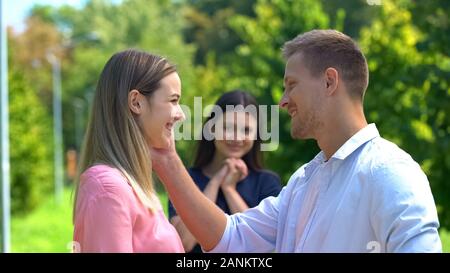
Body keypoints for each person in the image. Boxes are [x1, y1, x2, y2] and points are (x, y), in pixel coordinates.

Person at [151, 29, 442, 253]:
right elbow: (231, 236)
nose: (282, 101)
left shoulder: (390, 172)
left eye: (291, 85)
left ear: (329, 82)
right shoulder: (304, 182)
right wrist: (166, 158)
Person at [73, 49, 186, 252]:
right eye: (173, 100)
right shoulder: (108, 187)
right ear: (136, 102)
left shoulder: (132, 185)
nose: (181, 115)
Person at [168, 90, 282, 252]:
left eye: (246, 130)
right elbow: (183, 243)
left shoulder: (267, 182)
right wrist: (216, 182)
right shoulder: (184, 178)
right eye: (229, 127)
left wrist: (229, 190)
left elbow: (261, 245)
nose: (237, 137)